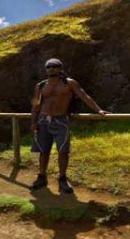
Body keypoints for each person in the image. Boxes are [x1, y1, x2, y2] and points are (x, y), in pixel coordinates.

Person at [29, 58, 107, 194]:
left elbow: (84, 96)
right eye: (48, 67)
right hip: (43, 120)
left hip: (61, 120)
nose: (51, 69)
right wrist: (33, 121)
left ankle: (62, 178)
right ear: (45, 69)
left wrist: (98, 110)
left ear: (60, 68)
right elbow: (36, 104)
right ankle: (42, 177)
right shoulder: (41, 85)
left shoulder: (69, 83)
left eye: (54, 66)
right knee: (43, 151)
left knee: (63, 151)